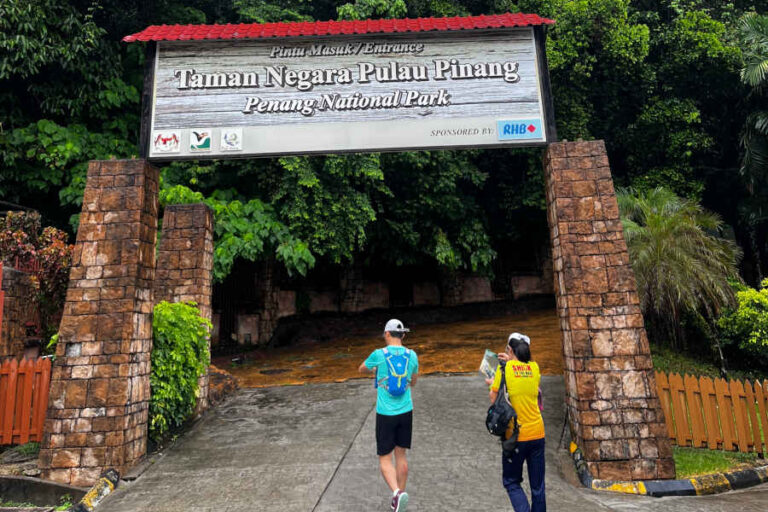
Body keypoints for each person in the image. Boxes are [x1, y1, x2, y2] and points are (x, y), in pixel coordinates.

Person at [358, 319, 419, 512]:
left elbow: (361, 369)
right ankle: (399, 499)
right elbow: (414, 382)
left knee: (385, 458)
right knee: (401, 456)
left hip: (385, 414)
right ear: (403, 335)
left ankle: (397, 493)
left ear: (386, 334)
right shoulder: (412, 355)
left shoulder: (379, 354)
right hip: (406, 411)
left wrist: (376, 369)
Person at [486, 332, 546, 512]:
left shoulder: (504, 370)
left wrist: (492, 381)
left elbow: (493, 398)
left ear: (510, 350)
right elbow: (526, 382)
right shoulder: (535, 368)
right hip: (538, 434)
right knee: (538, 486)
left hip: (515, 436)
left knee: (511, 482)